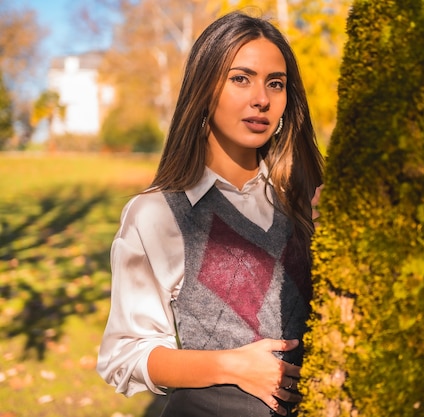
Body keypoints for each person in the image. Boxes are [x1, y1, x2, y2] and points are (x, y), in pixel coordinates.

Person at [96, 11, 324, 417]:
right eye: (241, 78)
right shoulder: (157, 214)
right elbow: (125, 353)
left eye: (276, 83)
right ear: (205, 89)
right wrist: (231, 365)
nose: (262, 98)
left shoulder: (305, 201)